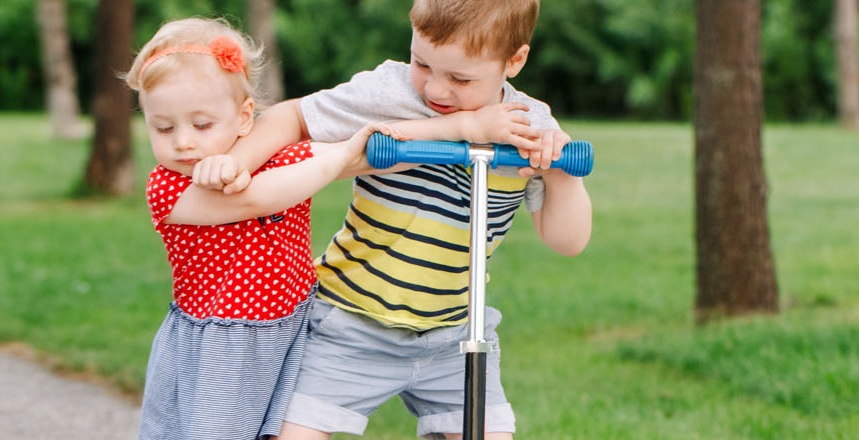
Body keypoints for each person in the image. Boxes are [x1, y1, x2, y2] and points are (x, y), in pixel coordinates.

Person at [195, 1, 591, 438]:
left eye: (460, 78)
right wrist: (236, 162)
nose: (436, 90)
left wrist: (560, 174)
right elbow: (293, 117)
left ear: (514, 61)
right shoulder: (392, 92)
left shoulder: (528, 126)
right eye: (422, 63)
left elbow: (567, 242)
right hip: (351, 322)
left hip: (455, 333)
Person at [123, 18, 379, 439]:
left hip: (296, 332)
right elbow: (261, 198)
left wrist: (464, 132)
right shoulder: (168, 186)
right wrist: (336, 159)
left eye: (201, 125)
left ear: (245, 117)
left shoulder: (279, 156)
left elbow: (371, 151)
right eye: (163, 127)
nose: (183, 142)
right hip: (221, 351)